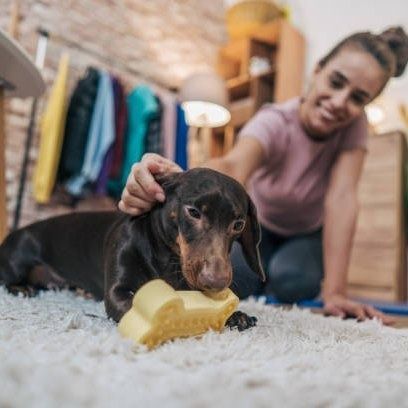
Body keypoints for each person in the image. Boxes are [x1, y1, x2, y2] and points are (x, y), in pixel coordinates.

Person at [119, 26, 408, 325]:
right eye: (336, 82)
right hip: (260, 228)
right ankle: (263, 271)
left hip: (306, 233)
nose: (338, 101)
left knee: (294, 282)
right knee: (233, 282)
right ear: (317, 70)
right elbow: (232, 167)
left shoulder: (354, 128)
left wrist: (335, 292)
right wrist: (180, 184)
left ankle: (273, 274)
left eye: (357, 98)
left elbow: (343, 197)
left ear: (365, 105)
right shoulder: (274, 120)